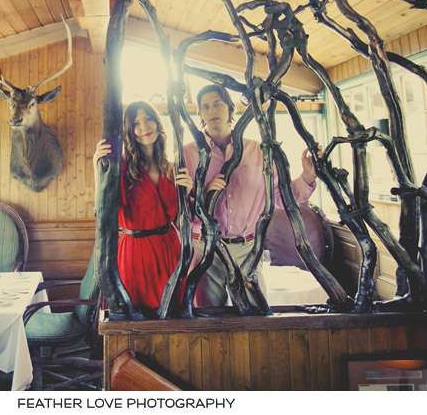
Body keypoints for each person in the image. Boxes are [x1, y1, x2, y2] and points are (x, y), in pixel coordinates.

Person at [184, 84, 318, 307]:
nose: (212, 111)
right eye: (205, 107)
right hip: (206, 250)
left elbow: (281, 196)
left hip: (247, 249)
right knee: (207, 316)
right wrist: (204, 196)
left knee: (255, 313)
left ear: (230, 108)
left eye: (217, 104)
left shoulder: (259, 151)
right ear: (199, 114)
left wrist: (307, 176)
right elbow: (182, 210)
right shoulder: (187, 154)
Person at [93, 101, 193, 314]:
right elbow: (103, 209)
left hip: (170, 250)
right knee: (135, 317)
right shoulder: (121, 168)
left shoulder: (171, 168)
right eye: (136, 123)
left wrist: (188, 192)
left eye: (148, 119)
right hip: (134, 254)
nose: (144, 127)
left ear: (157, 122)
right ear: (129, 131)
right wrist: (97, 168)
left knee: (173, 314)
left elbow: (181, 219)